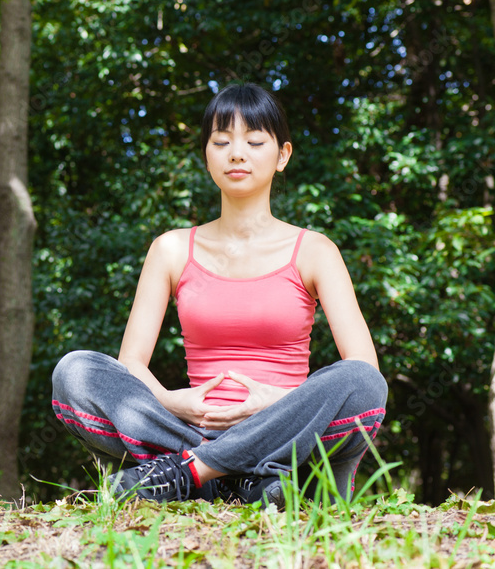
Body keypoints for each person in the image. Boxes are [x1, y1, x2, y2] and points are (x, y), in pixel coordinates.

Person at [50, 82, 388, 505]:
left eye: (255, 141)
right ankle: (242, 478)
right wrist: (173, 401)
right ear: (207, 156)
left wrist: (277, 400)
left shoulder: (315, 250)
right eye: (221, 141)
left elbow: (364, 367)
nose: (237, 153)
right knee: (74, 372)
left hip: (287, 428)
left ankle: (193, 472)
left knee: (361, 383)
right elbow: (131, 363)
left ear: (282, 155)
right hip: (189, 429)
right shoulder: (171, 249)